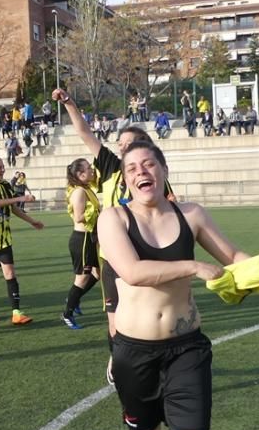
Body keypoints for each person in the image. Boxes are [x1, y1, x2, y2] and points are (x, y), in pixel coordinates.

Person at [97, 141, 259, 430]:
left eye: (148, 164)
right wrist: (194, 265)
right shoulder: (113, 218)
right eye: (131, 168)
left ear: (163, 170)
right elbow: (131, 271)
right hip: (134, 353)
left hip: (187, 350)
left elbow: (231, 254)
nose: (140, 172)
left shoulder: (191, 214)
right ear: (126, 180)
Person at [52, 87, 172, 381]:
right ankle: (117, 364)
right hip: (112, 260)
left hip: (146, 258)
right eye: (120, 143)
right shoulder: (108, 167)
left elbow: (171, 213)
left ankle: (154, 364)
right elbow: (84, 132)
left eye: (127, 143)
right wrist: (69, 102)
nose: (121, 147)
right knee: (115, 320)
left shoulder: (152, 179)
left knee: (149, 318)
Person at [0, 155, 44, 325]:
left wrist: (32, 221)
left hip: (3, 240)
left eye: (3, 167)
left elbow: (13, 209)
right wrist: (21, 198)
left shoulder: (5, 185)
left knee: (10, 273)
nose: (3, 170)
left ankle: (17, 312)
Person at [60, 158, 100, 330]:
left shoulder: (86, 189)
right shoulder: (79, 192)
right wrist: (99, 212)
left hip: (90, 238)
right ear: (80, 174)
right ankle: (67, 313)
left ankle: (74, 300)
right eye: (89, 168)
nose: (92, 170)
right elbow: (79, 217)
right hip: (82, 239)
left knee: (98, 273)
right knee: (82, 278)